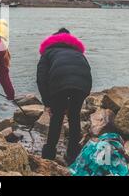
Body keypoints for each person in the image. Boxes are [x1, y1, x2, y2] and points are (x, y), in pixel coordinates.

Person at [37, 28, 92, 164]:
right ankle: (73, 154)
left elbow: (41, 79)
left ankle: (49, 155)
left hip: (60, 82)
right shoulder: (78, 53)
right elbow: (86, 70)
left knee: (57, 118)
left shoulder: (48, 52)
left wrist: (47, 103)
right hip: (83, 83)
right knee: (74, 116)